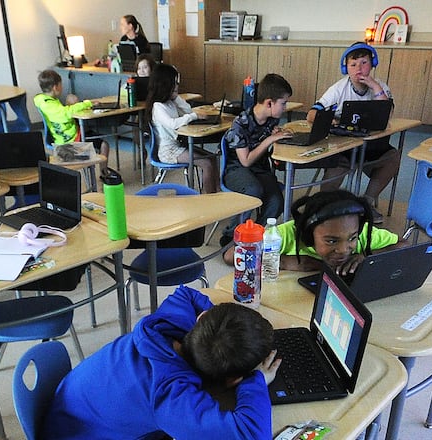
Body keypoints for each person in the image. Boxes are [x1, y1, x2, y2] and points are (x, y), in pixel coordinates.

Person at [42, 285, 280, 440]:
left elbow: (185, 294)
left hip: (71, 410)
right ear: (233, 380)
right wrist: (255, 381)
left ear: (201, 318)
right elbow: (253, 434)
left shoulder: (164, 325)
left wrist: (217, 328)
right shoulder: (171, 397)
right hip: (72, 432)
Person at [307, 42, 400, 224]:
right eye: (353, 64)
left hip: (372, 146)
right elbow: (311, 114)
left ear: (372, 64)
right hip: (344, 148)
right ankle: (323, 206)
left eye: (364, 63)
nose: (359, 68)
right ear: (345, 68)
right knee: (335, 169)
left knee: (393, 157)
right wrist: (331, 119)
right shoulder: (338, 89)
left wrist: (374, 87)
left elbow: (387, 114)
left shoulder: (380, 87)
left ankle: (367, 203)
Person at [219, 73, 293, 249]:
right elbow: (245, 161)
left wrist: (275, 133)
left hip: (259, 167)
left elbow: (269, 133)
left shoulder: (271, 118)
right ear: (269, 103)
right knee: (253, 190)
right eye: (283, 103)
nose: (285, 107)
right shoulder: (240, 124)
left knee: (276, 200)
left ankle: (255, 234)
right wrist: (268, 140)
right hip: (236, 168)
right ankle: (232, 234)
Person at [279, 190, 403, 276]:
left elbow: (404, 245)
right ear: (309, 234)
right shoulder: (284, 235)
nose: (343, 249)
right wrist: (285, 261)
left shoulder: (363, 234)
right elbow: (259, 254)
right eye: (332, 241)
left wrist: (367, 256)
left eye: (352, 238)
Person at [147, 63, 219, 193]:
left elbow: (187, 110)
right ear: (165, 84)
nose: (177, 85)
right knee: (206, 164)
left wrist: (177, 98)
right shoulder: (158, 106)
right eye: (174, 82)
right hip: (168, 151)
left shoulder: (170, 102)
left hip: (178, 145)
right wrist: (194, 116)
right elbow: (173, 123)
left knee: (212, 158)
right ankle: (209, 199)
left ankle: (216, 190)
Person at [33, 69, 110, 171]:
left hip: (66, 137)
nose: (62, 87)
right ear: (55, 87)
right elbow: (66, 114)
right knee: (104, 145)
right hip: (69, 143)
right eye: (61, 85)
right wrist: (88, 103)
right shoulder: (50, 106)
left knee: (71, 98)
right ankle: (104, 173)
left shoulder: (42, 100)